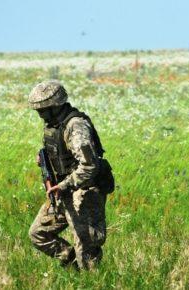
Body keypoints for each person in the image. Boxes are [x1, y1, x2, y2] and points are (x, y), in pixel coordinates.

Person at [28, 80, 113, 270]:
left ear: (55, 106)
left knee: (87, 248)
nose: (40, 114)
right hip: (62, 191)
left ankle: (91, 281)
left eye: (43, 109)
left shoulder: (76, 126)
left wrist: (65, 185)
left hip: (84, 193)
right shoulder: (54, 125)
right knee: (38, 234)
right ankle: (73, 265)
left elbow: (90, 166)